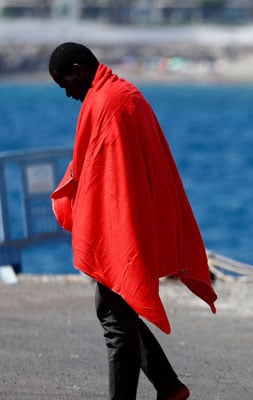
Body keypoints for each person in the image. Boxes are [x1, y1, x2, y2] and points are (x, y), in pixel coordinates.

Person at [48, 42, 217, 400]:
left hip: (122, 229)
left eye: (66, 84)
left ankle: (156, 390)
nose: (67, 94)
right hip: (126, 224)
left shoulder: (111, 101)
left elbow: (108, 179)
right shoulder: (121, 94)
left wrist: (105, 230)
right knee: (118, 313)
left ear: (79, 69)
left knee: (115, 322)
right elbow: (102, 169)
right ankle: (169, 386)